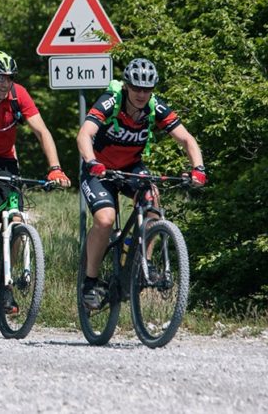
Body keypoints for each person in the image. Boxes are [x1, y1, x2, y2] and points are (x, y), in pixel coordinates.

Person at [77, 58, 205, 309]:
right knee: (104, 220)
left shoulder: (155, 108)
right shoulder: (111, 101)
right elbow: (85, 134)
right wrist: (92, 161)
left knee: (153, 204)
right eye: (136, 88)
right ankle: (90, 281)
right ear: (126, 86)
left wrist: (198, 168)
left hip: (131, 168)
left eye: (147, 89)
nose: (141, 94)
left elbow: (187, 139)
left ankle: (143, 264)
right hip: (99, 169)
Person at [0, 50, 70, 313]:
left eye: (8, 78)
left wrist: (55, 168)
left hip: (6, 160)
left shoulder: (19, 95)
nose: (5, 83)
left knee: (16, 221)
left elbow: (42, 131)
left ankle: (3, 285)